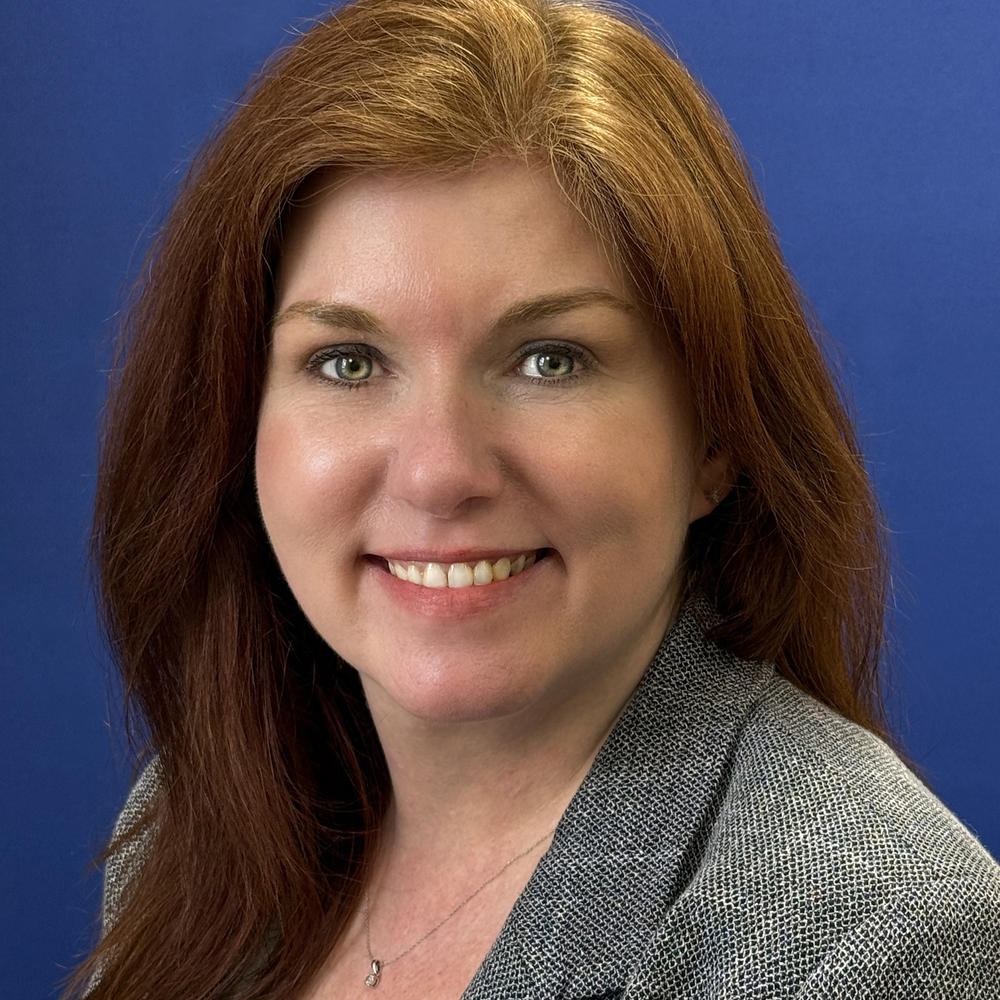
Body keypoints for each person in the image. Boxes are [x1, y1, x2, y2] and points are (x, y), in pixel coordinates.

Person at [68, 0, 1000, 997]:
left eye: (548, 359)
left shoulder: (876, 934)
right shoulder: (196, 823)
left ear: (716, 439)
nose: (437, 471)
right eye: (346, 361)